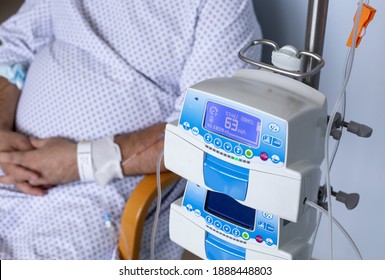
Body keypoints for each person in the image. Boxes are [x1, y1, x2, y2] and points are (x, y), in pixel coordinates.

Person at [0, 0, 261, 259]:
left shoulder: (218, 6)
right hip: (11, 160)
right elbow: (14, 47)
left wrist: (81, 161)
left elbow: (206, 132)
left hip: (97, 191)